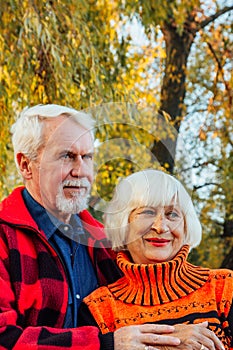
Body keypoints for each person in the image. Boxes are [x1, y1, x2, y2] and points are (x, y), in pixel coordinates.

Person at [0, 104, 188, 350]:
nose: (80, 171)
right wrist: (101, 345)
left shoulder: (104, 240)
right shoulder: (5, 237)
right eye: (67, 156)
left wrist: (181, 332)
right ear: (25, 165)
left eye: (87, 157)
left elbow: (148, 305)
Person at [78, 169, 233, 350]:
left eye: (172, 214)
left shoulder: (224, 288)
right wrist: (169, 343)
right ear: (123, 224)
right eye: (148, 212)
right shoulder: (99, 308)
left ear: (186, 225)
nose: (160, 226)